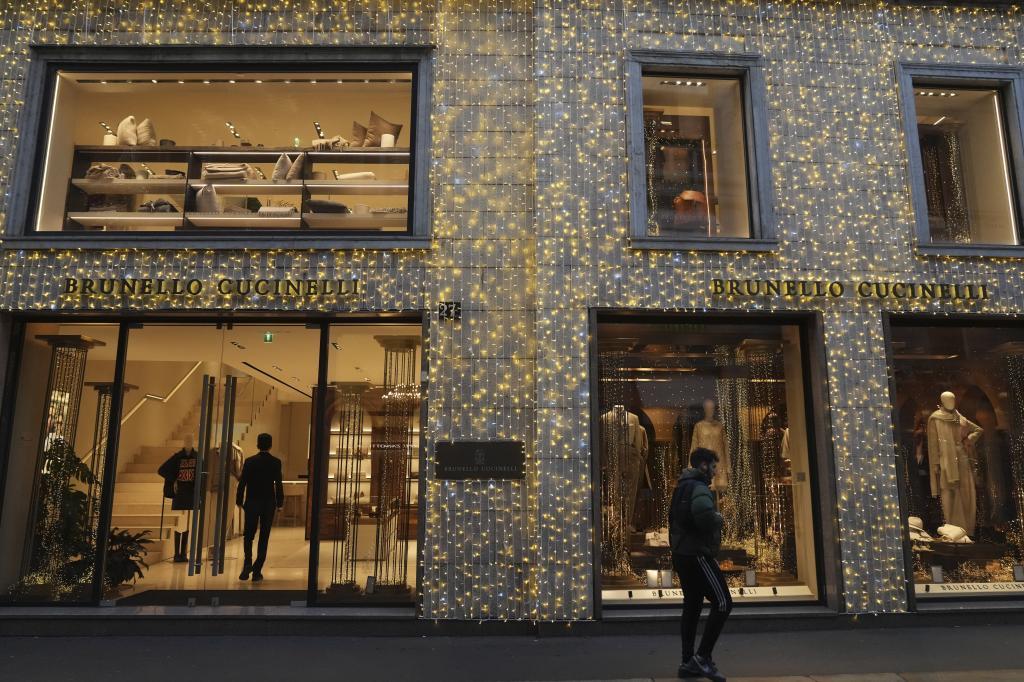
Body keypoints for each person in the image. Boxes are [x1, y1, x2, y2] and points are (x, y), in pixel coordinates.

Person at [669, 447, 731, 681]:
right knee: (723, 602)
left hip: (682, 554)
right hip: (697, 554)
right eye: (713, 467)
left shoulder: (682, 485)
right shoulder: (699, 488)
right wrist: (719, 518)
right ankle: (702, 658)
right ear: (703, 466)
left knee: (692, 605)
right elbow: (704, 515)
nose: (715, 472)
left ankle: (687, 662)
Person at [235, 433, 284, 582]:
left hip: (252, 501)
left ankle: (247, 563)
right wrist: (280, 502)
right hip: (268, 502)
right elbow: (278, 484)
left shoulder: (250, 461)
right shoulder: (276, 462)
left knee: (248, 535)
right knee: (264, 535)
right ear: (270, 445)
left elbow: (242, 482)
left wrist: (239, 500)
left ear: (257, 444)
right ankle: (257, 570)